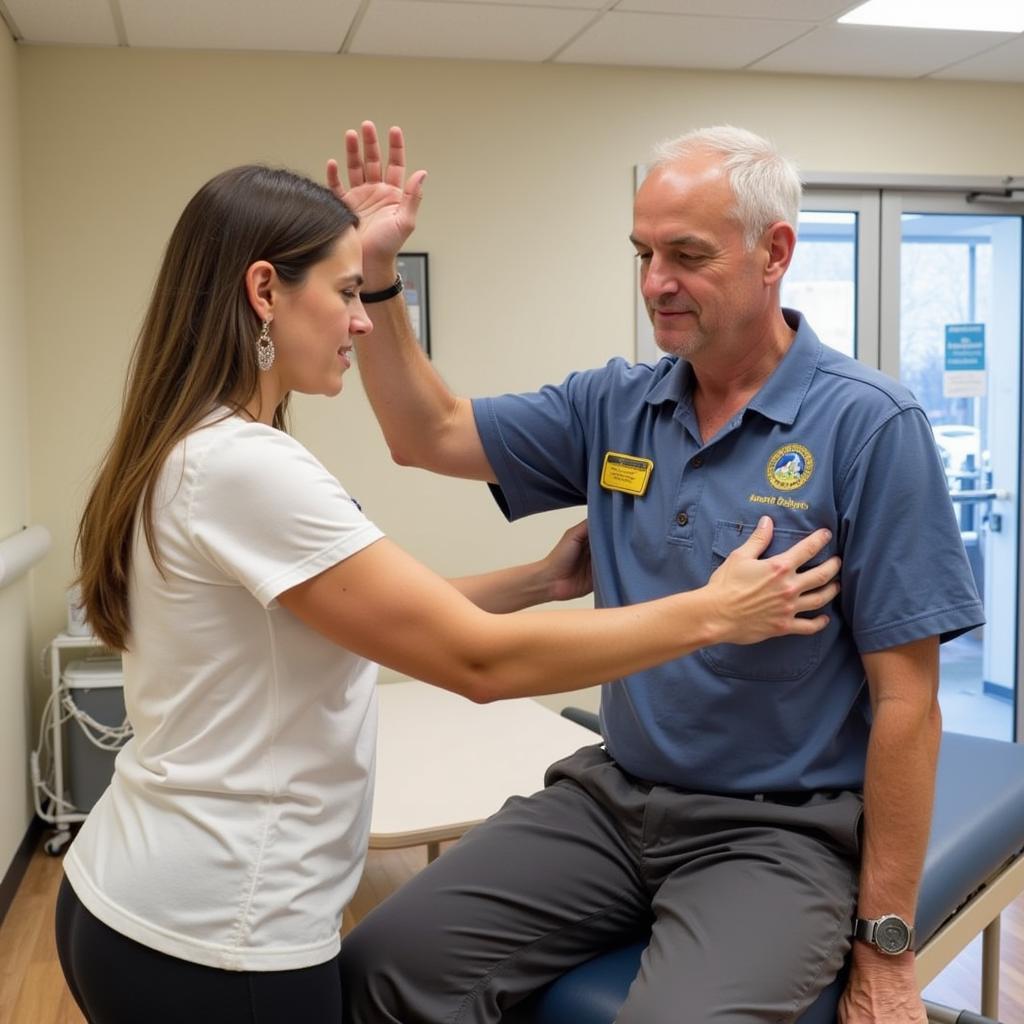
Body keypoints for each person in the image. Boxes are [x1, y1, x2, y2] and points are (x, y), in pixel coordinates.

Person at [54, 164, 841, 1024]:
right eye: (349, 291)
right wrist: (714, 612)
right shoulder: (247, 465)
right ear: (264, 292)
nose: (361, 318)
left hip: (133, 889)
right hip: (214, 930)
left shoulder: (190, 443)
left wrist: (541, 581)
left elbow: (364, 612)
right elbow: (474, 658)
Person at [330, 123, 985, 1024]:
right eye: (643, 253)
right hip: (610, 800)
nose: (655, 283)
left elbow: (908, 703)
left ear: (775, 253)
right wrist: (373, 277)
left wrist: (886, 949)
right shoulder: (617, 405)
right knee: (379, 965)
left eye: (687, 254)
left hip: (777, 833)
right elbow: (428, 433)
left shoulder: (870, 426)